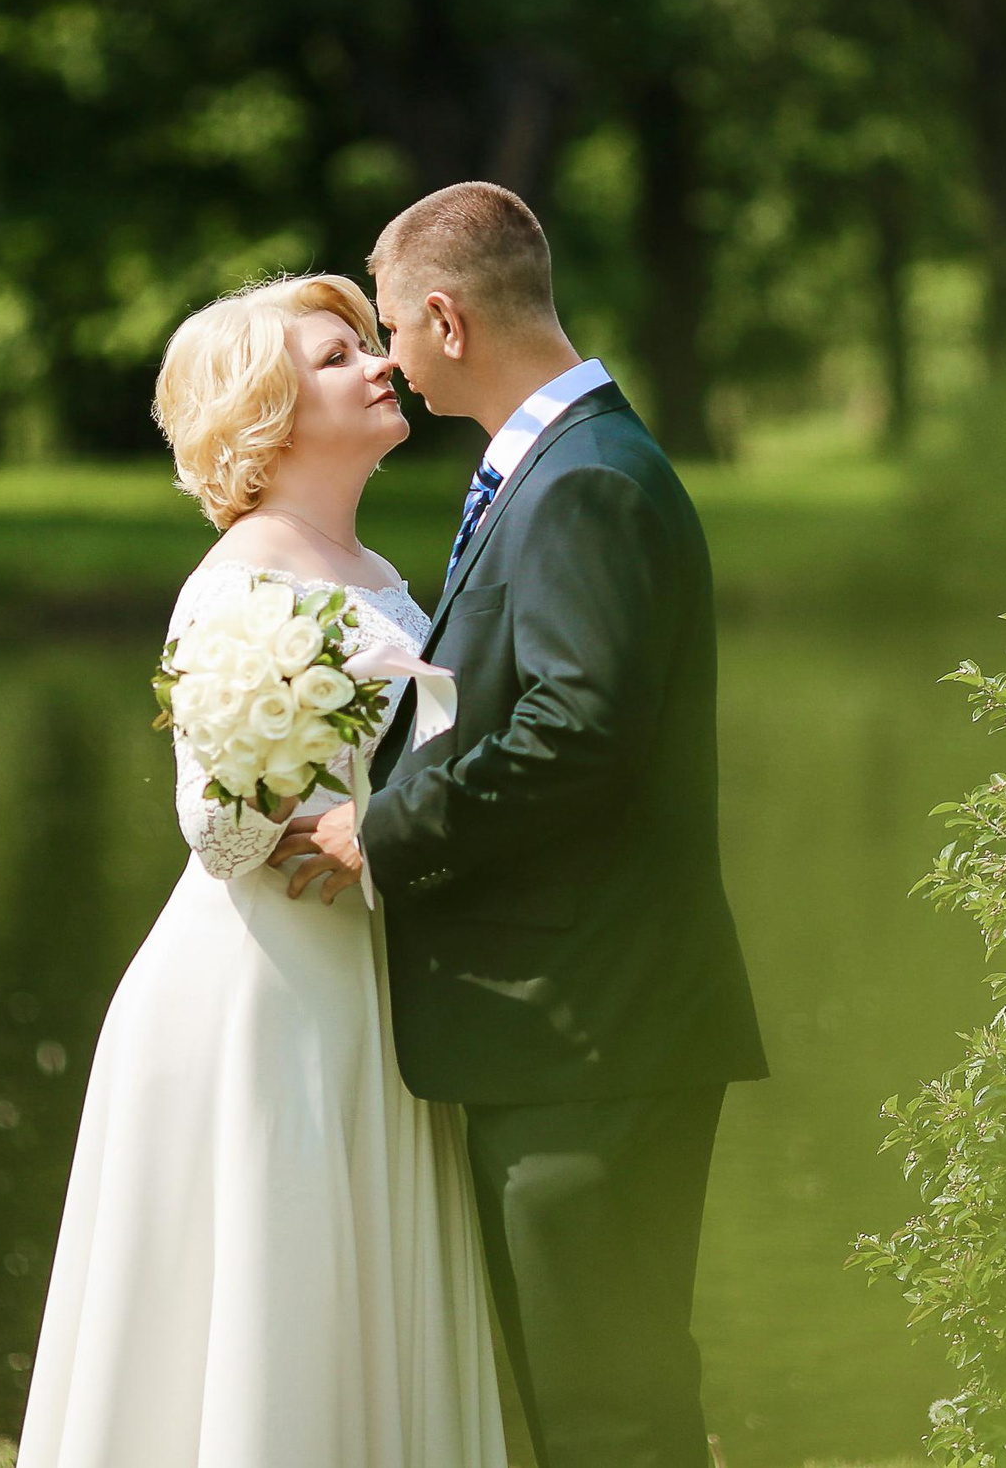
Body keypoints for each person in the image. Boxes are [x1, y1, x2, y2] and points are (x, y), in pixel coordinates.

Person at [273, 182, 768, 1468]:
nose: (384, 354)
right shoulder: (560, 462)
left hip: (591, 1020)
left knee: (606, 1399)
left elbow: (577, 731)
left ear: (444, 315)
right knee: (595, 1385)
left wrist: (382, 832)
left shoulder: (585, 484)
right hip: (579, 1017)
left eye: (389, 325)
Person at [13, 272, 505, 1468]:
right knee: (268, 1278)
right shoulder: (242, 579)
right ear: (267, 410)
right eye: (338, 356)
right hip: (262, 988)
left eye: (364, 344)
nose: (379, 362)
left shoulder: (374, 565)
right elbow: (217, 830)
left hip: (369, 964)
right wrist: (301, 796)